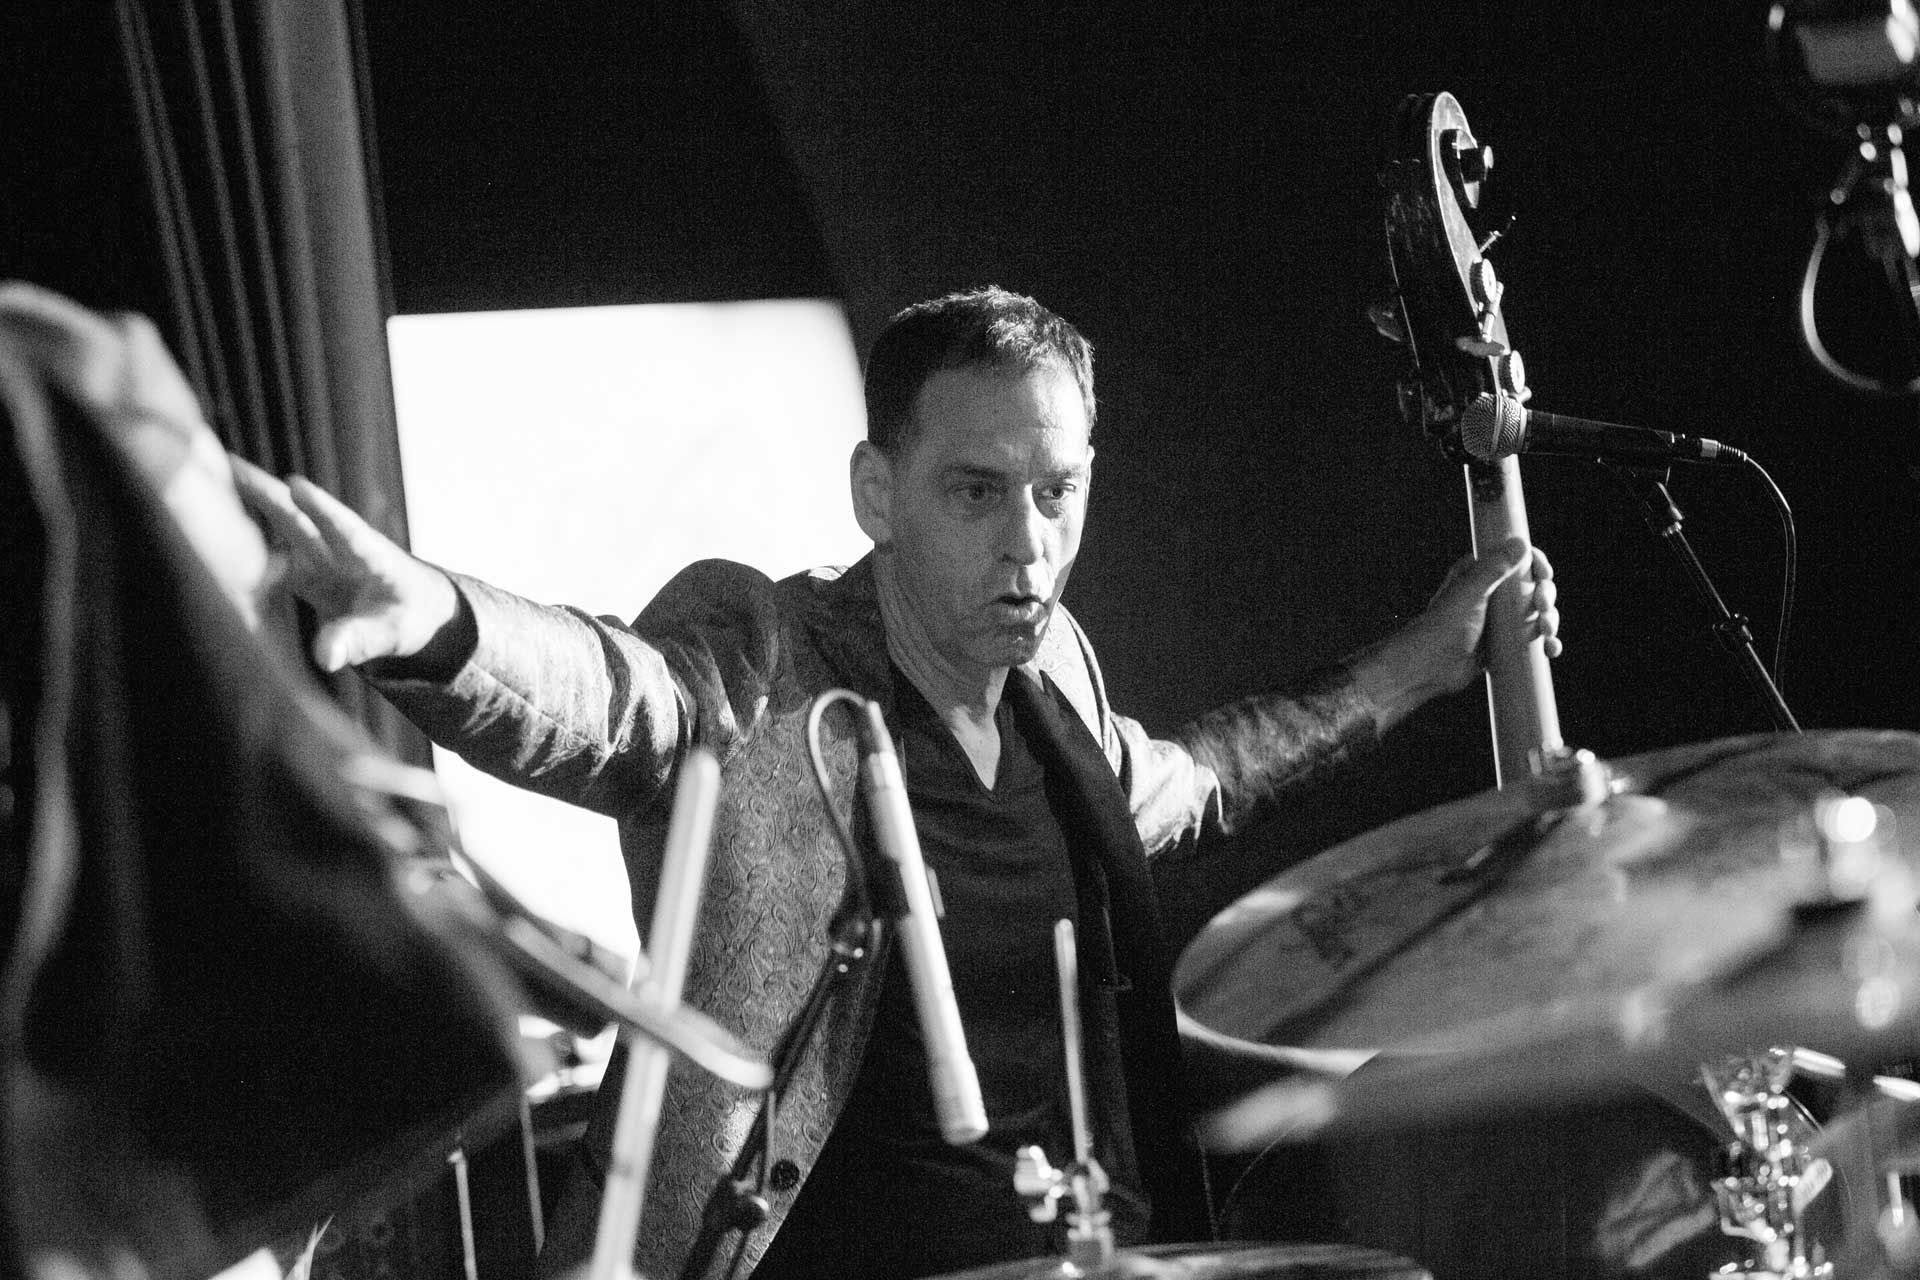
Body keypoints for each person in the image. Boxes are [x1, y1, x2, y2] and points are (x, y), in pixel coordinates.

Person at [235, 285, 1559, 1280]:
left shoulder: (1060, 683)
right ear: (878, 491)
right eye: (976, 493)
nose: (1029, 546)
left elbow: (1192, 785)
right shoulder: (768, 659)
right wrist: (435, 620)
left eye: (1059, 492)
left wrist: (1414, 670)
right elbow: (616, 699)